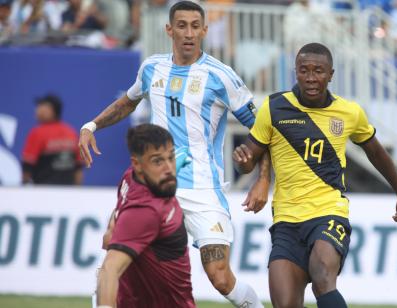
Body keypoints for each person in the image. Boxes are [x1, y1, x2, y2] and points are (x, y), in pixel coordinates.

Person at [79, 2, 269, 307]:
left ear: (205, 30)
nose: (189, 33)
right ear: (169, 29)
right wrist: (92, 125)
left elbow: (263, 129)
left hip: (204, 189)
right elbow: (128, 101)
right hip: (156, 187)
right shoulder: (152, 67)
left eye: (196, 26)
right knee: (113, 249)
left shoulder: (221, 76)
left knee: (220, 278)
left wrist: (263, 180)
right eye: (182, 25)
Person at [232, 43, 397, 308]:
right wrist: (244, 163)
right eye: (304, 71)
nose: (311, 78)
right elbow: (250, 158)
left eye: (318, 71)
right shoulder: (274, 107)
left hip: (328, 212)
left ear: (331, 74)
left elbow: (377, 154)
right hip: (286, 221)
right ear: (295, 72)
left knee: (322, 275)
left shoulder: (349, 112)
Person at [96, 124, 195, 308]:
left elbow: (115, 223)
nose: (169, 169)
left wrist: (114, 228)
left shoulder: (131, 177)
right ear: (137, 164)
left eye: (171, 158)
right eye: (158, 161)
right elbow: (109, 269)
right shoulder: (147, 211)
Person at [21, 94, 83, 185]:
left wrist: (25, 190)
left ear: (52, 110)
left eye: (42, 106)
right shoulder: (71, 131)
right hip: (69, 193)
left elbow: (27, 167)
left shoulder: (37, 133)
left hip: (43, 192)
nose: (37, 110)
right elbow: (78, 168)